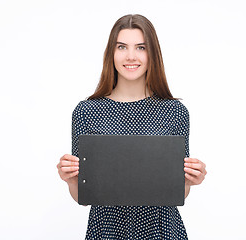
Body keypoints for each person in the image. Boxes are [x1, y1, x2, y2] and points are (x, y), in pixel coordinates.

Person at [57, 14, 207, 239]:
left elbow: (177, 193)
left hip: (161, 230)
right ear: (111, 53)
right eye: (122, 47)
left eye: (140, 47)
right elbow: (84, 195)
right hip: (106, 230)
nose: (130, 56)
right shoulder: (86, 112)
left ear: (152, 54)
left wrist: (189, 180)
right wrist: (70, 178)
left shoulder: (175, 112)